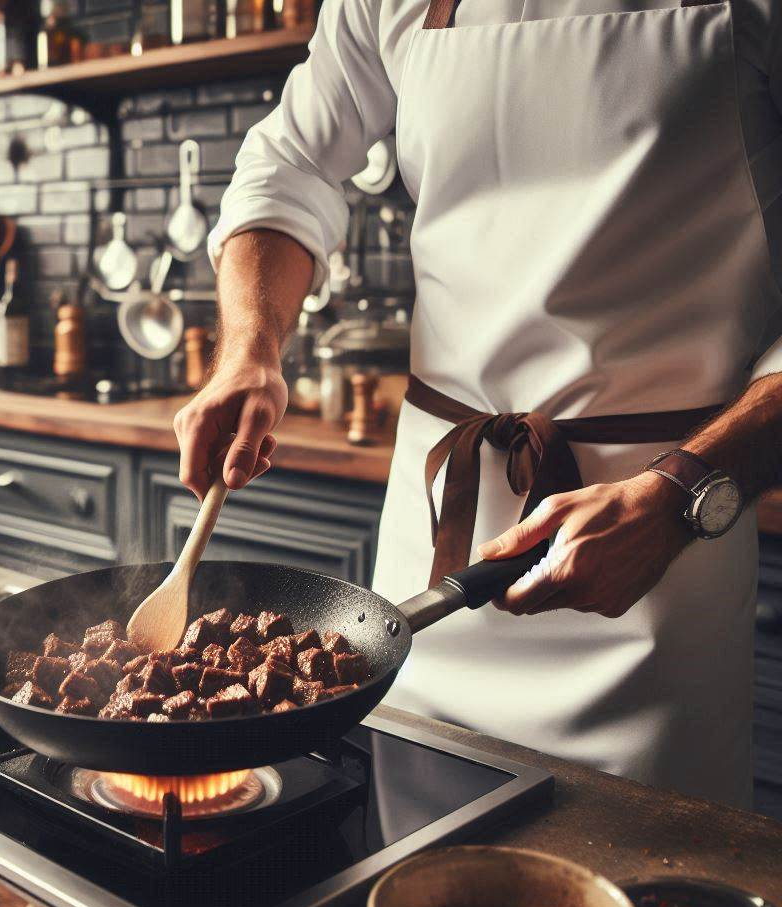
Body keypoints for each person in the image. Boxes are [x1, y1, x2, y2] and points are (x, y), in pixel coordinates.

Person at [174, 0, 782, 808]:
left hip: (659, 548)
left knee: (642, 881)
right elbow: (287, 167)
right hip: (434, 550)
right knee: (417, 859)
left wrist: (681, 497)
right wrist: (249, 348)